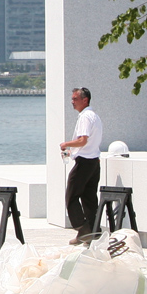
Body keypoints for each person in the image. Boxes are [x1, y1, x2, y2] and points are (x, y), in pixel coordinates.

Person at [59, 86, 103, 245]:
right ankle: (94, 232)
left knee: (71, 196)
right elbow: (89, 142)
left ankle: (82, 229)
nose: (72, 102)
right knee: (89, 197)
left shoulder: (85, 117)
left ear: (85, 100)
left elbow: (83, 140)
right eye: (72, 99)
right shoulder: (95, 116)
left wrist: (66, 144)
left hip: (84, 162)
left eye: (75, 99)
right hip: (94, 162)